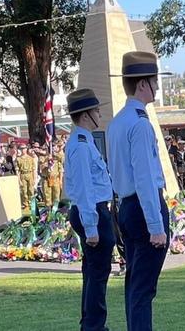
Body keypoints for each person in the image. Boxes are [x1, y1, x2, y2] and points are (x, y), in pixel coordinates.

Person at [107, 51, 171, 331]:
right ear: (143, 84)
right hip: (145, 208)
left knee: (135, 286)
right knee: (143, 290)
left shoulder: (117, 122)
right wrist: (156, 224)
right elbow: (145, 178)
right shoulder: (140, 124)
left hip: (127, 207)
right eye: (154, 81)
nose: (157, 87)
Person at [64, 89, 115, 331]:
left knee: (92, 271)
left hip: (90, 210)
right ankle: (95, 326)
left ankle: (91, 323)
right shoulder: (82, 145)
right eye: (95, 110)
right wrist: (91, 226)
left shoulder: (82, 141)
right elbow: (85, 187)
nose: (99, 114)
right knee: (98, 273)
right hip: (92, 210)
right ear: (85, 115)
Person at [16, 144, 36, 212]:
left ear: (26, 149)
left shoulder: (31, 158)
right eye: (21, 149)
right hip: (23, 175)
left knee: (31, 190)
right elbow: (17, 170)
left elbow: (33, 169)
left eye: (24, 148)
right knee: (24, 191)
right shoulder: (18, 159)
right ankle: (25, 204)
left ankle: (32, 204)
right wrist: (19, 180)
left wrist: (34, 178)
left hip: (30, 174)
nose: (23, 150)